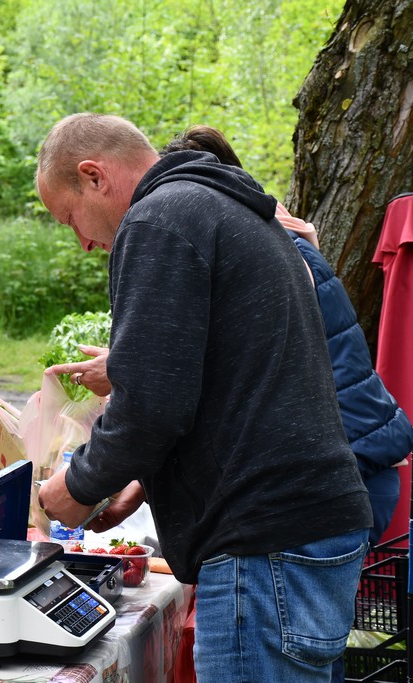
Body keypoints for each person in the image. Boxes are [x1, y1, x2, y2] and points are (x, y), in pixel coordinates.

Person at [34, 113, 372, 682]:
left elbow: (151, 401)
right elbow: (219, 384)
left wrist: (77, 486)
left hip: (264, 543)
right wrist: (144, 482)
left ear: (94, 176)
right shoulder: (218, 206)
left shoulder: (159, 218)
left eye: (70, 218)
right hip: (303, 527)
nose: (85, 242)